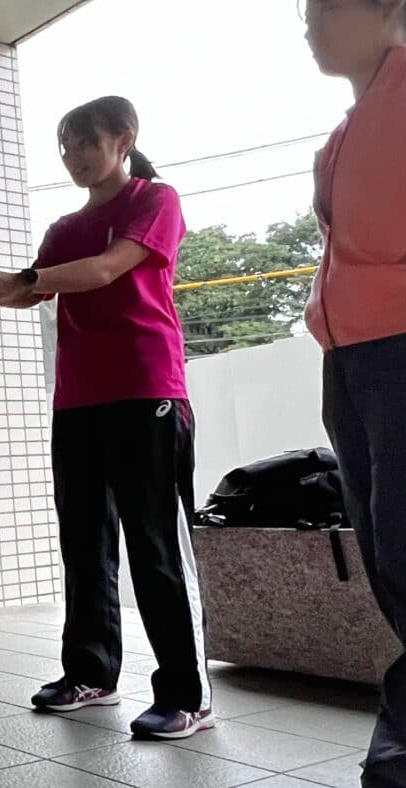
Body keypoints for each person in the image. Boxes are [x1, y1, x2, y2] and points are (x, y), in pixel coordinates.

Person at [0, 96, 212, 740]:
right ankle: (91, 674)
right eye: (64, 145)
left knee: (154, 546)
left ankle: (186, 693)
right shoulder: (63, 228)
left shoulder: (156, 200)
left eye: (83, 142)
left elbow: (105, 270)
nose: (72, 156)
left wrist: (20, 279)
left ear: (123, 139)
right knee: (85, 542)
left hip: (147, 391)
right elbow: (37, 288)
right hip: (77, 401)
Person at [301, 1, 406, 783]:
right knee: (386, 552)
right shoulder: (344, 131)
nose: (308, 26)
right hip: (351, 360)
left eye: (324, 8)